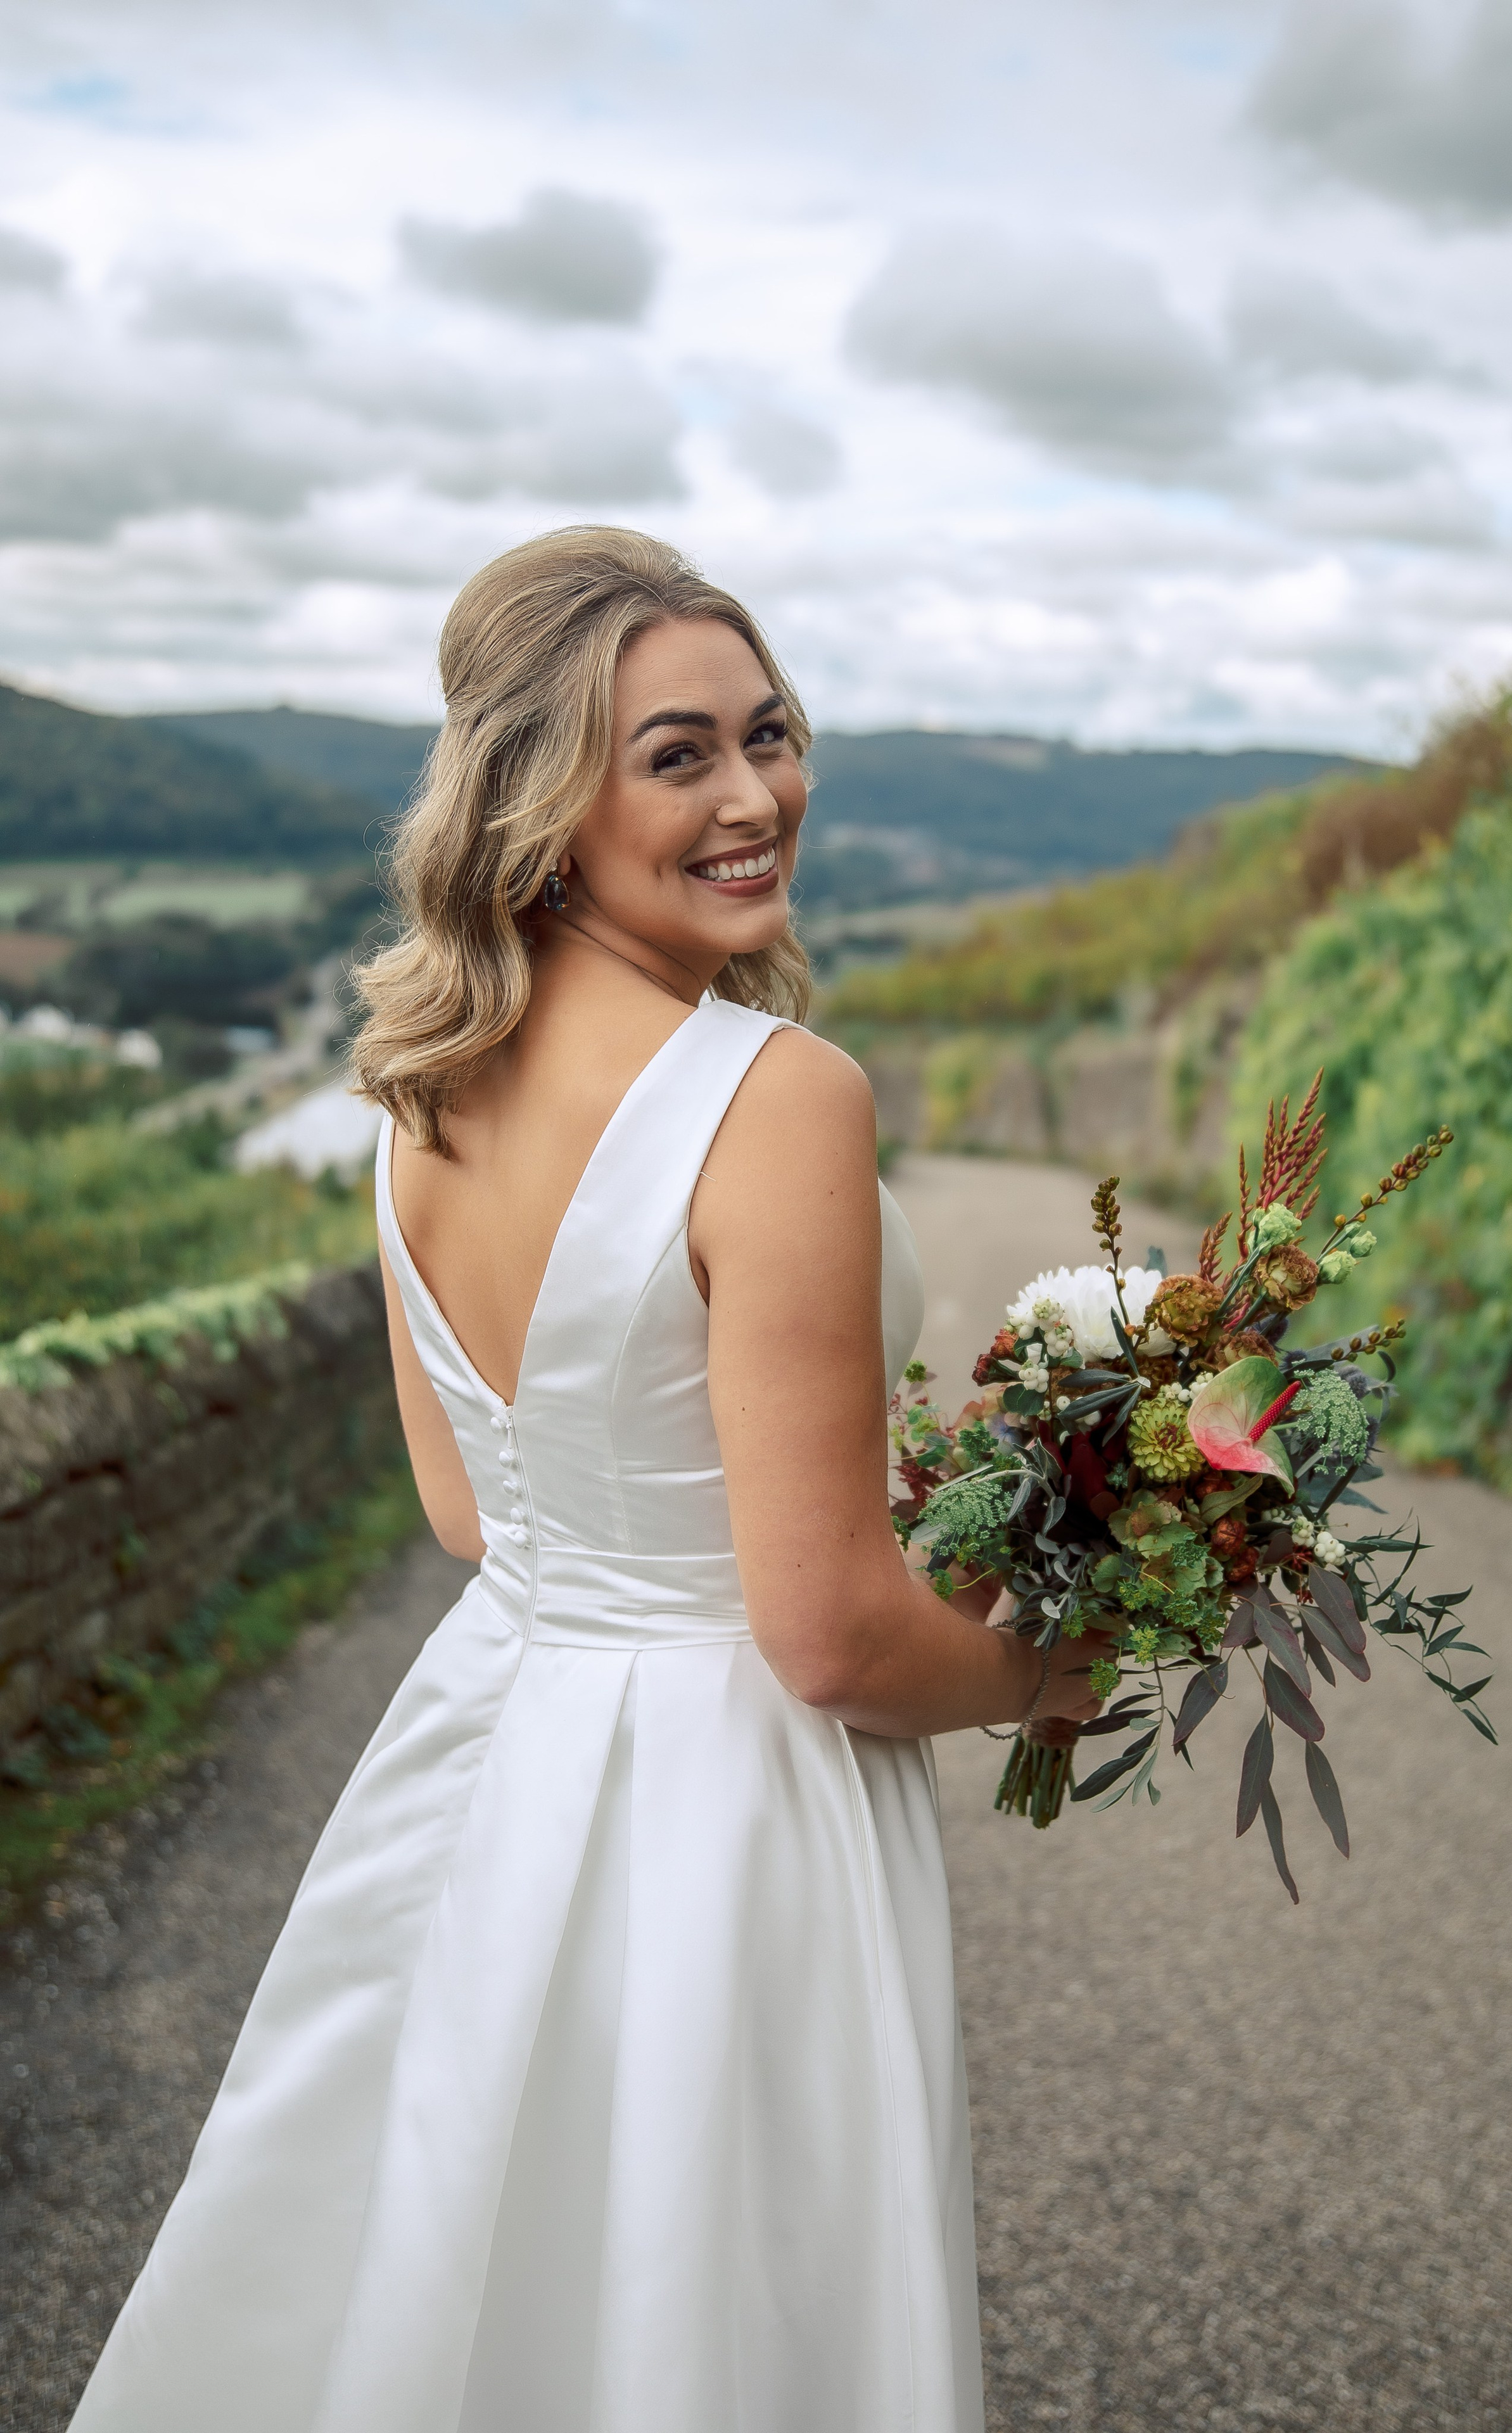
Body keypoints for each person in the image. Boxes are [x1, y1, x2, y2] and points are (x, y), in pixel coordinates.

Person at [69, 527, 1100, 2433]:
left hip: (495, 1743)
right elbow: (829, 1633)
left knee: (458, 2261)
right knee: (711, 2295)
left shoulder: (419, 1089)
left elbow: (474, 1510)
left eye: (768, 734)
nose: (754, 794)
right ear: (543, 798)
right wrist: (1051, 1664)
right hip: (734, 1806)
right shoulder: (776, 1093)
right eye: (677, 754)